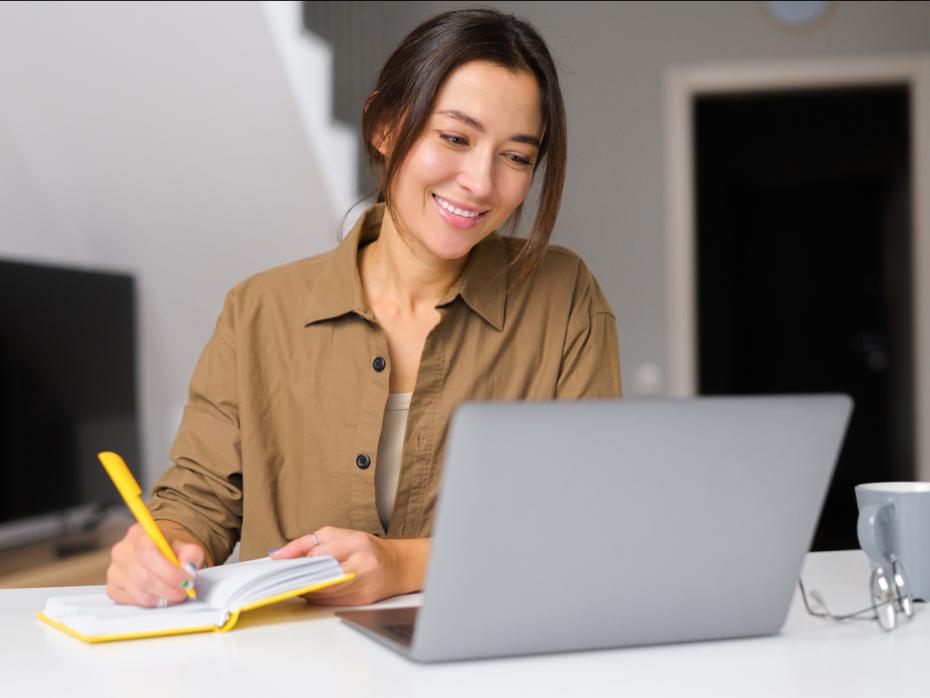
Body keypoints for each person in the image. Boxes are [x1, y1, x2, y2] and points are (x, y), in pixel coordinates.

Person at [105, 7, 621, 609]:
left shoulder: (565, 297)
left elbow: (588, 513)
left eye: (516, 157)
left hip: (493, 644)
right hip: (293, 653)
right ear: (384, 127)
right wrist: (160, 551)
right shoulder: (258, 311)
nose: (481, 182)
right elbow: (198, 502)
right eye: (455, 138)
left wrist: (403, 563)